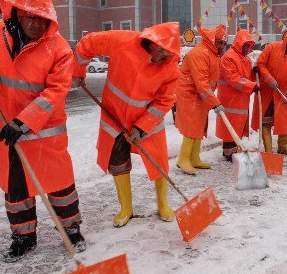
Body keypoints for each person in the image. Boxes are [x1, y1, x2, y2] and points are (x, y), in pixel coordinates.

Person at [0, 0, 83, 262]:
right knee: (16, 189)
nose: (37, 24)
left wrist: (24, 121)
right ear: (16, 14)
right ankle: (23, 238)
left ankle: (72, 231)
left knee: (59, 187)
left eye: (43, 18)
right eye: (31, 17)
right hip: (8, 131)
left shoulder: (59, 49)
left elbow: (54, 93)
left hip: (45, 132)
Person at [73, 23, 180, 228]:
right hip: (115, 117)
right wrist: (77, 71)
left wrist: (142, 126)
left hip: (147, 122)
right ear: (152, 43)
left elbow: (165, 101)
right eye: (162, 52)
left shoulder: (170, 68)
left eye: (170, 54)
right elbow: (87, 44)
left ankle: (163, 203)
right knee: (118, 161)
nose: (166, 58)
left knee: (158, 161)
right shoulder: (122, 41)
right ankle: (126, 208)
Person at [175, 24, 226, 174]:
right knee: (191, 126)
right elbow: (201, 82)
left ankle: (194, 158)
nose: (222, 46)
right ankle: (183, 159)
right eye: (220, 42)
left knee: (199, 125)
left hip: (200, 94)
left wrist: (210, 99)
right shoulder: (200, 53)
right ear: (212, 40)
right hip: (189, 93)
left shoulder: (212, 53)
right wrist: (215, 103)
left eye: (224, 43)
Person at [252, 28, 287, 155]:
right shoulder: (272, 47)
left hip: (284, 93)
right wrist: (269, 78)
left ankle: (282, 146)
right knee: (265, 121)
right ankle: (269, 151)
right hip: (267, 91)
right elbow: (260, 63)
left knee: (285, 120)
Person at [215, 29, 257, 161]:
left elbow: (247, 77)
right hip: (230, 100)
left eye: (249, 46)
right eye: (245, 45)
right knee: (230, 126)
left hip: (240, 100)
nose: (247, 48)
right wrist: (252, 85)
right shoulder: (229, 57)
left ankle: (233, 150)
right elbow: (234, 78)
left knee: (237, 126)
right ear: (239, 44)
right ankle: (228, 152)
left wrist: (256, 74)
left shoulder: (246, 59)